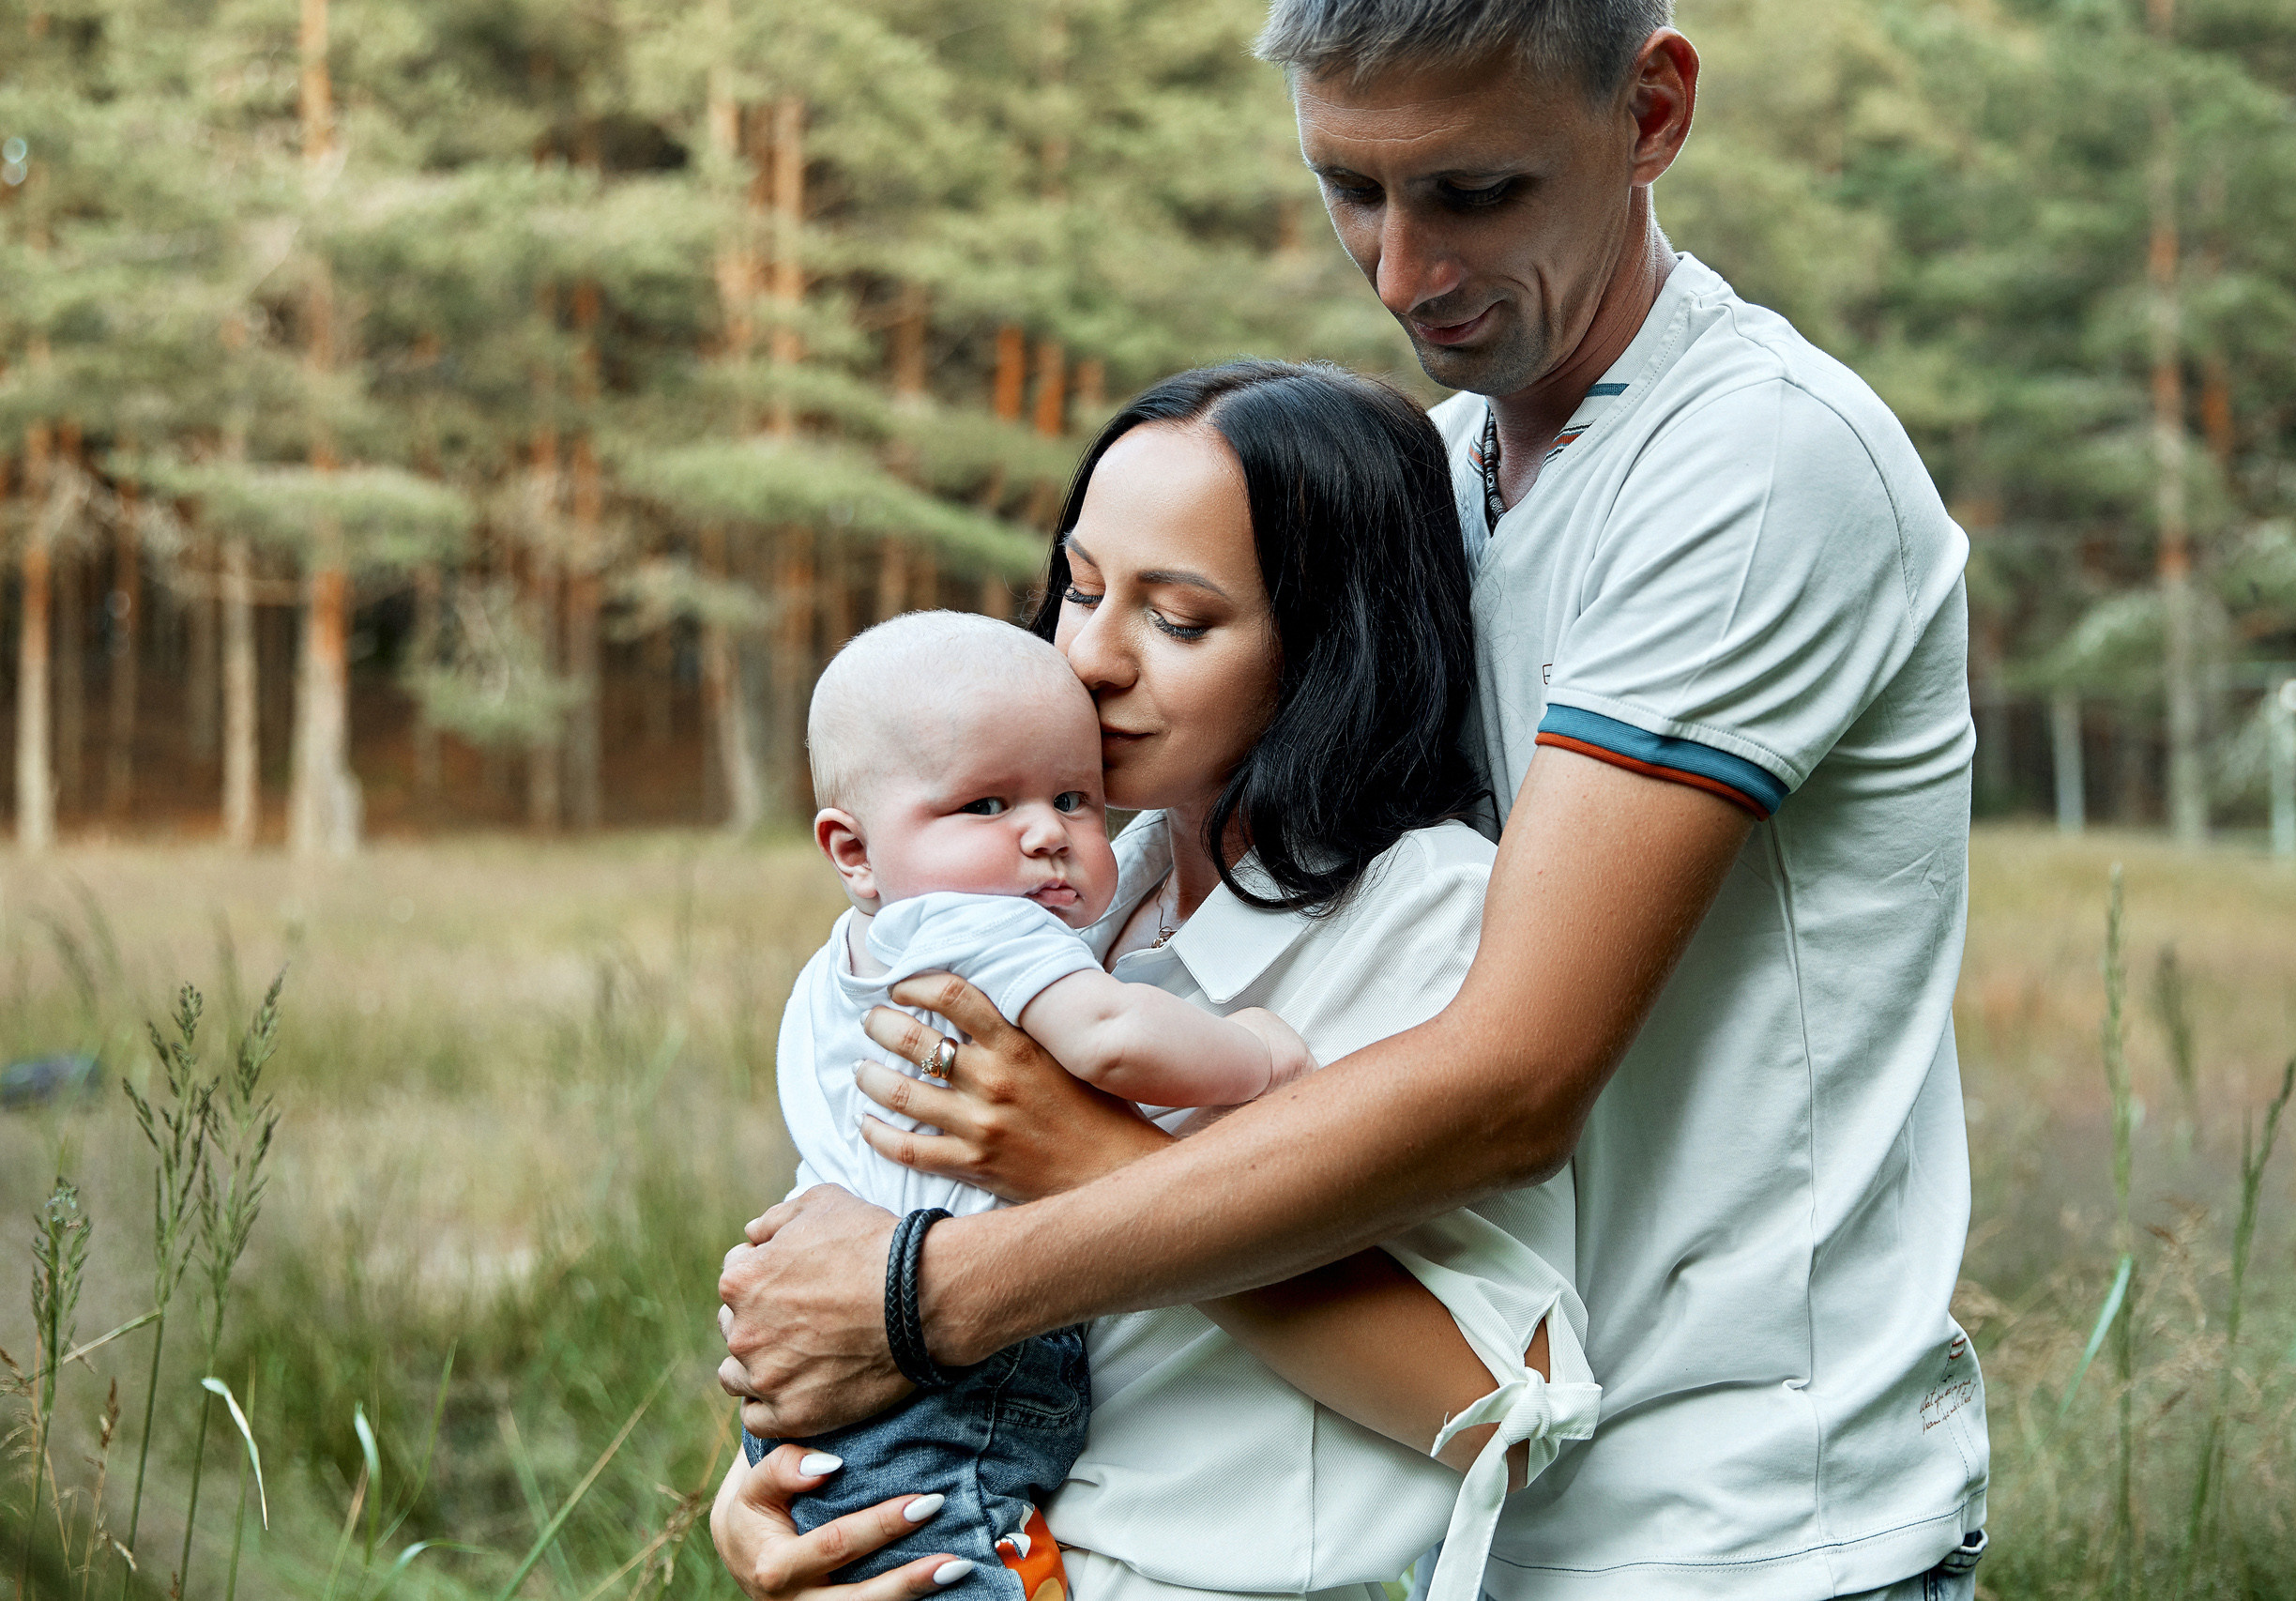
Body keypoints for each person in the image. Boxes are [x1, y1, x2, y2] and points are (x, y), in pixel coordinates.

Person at [721, 3, 1992, 1594]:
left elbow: (1507, 1080)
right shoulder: (1428, 479)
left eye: (1474, 193)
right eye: (1351, 187)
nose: (1399, 275)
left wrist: (928, 1294)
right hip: (1480, 1538)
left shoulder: (1753, 469)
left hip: (1735, 1524)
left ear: (1652, 113)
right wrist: (831, 1451)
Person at [716, 361, 1601, 1601]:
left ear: (1333, 645)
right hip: (976, 1540)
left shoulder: (1430, 915)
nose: (1089, 657)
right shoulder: (1063, 887)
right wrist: (785, 1484)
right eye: (1078, 589)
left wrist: (1081, 1152)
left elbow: (1499, 1408)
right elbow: (858, 1230)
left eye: (1176, 619)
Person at [748, 609, 1320, 1600]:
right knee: (960, 1555)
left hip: (825, 1353)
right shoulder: (977, 926)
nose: (1045, 833)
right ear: (852, 849)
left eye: (1074, 797)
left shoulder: (832, 973)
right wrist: (1258, 1057)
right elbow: (1111, 1035)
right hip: (955, 1353)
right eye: (983, 803)